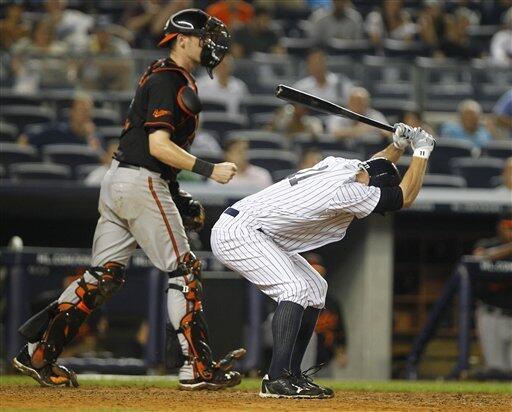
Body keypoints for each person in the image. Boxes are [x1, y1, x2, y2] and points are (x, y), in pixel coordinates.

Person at [12, 9, 244, 391]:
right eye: (203, 37)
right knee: (185, 270)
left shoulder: (163, 74)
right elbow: (158, 146)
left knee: (104, 275)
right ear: (182, 40)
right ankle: (196, 368)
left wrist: (174, 191)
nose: (210, 44)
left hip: (122, 180)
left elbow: (147, 147)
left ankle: (37, 353)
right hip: (139, 181)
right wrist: (209, 169)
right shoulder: (169, 78)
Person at [211, 123, 436, 398]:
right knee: (294, 288)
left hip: (257, 229)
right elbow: (405, 196)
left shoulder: (344, 166)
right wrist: (422, 151)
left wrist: (398, 146)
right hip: (239, 233)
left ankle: (292, 375)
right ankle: (276, 378)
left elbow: (376, 164)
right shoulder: (348, 193)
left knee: (316, 287)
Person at [472, 210, 512, 380]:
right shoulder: (487, 244)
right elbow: (477, 257)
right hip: (491, 314)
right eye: (507, 226)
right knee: (495, 369)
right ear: (499, 227)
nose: (510, 231)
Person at [17, 92, 103, 151]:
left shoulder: (95, 136)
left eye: (88, 110)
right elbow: (26, 138)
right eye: (82, 110)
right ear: (71, 112)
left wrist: (92, 141)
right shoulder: (57, 130)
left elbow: (104, 164)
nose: (86, 115)